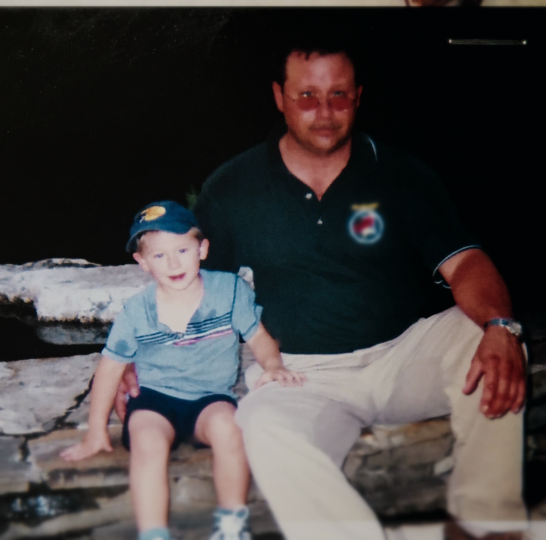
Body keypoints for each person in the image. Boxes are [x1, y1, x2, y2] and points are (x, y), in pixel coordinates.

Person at [115, 44, 527, 540]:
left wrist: (499, 327)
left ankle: (487, 525)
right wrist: (139, 360)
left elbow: (466, 263)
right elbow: (192, 287)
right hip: (301, 374)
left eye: (338, 96)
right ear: (279, 98)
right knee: (260, 426)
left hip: (402, 354)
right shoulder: (232, 187)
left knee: (492, 341)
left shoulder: (400, 175)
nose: (325, 113)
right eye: (307, 96)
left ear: (357, 97)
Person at [61, 200, 306, 540]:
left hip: (211, 398)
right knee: (148, 442)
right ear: (142, 262)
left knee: (230, 429)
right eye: (159, 256)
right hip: (154, 399)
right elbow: (109, 369)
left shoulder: (230, 291)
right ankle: (153, 534)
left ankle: (232, 525)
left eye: (182, 249)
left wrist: (274, 365)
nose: (173, 263)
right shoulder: (136, 311)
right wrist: (96, 429)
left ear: (202, 249)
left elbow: (258, 337)